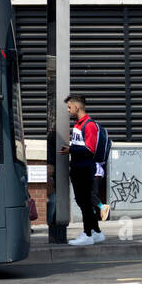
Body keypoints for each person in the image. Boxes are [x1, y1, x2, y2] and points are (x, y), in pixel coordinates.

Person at [58, 93, 104, 246]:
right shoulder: (78, 124)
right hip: (78, 168)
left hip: (84, 169)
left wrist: (70, 150)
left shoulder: (88, 125)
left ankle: (88, 234)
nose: (68, 110)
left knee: (83, 202)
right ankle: (96, 232)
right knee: (83, 201)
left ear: (77, 107)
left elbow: (90, 150)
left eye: (69, 107)